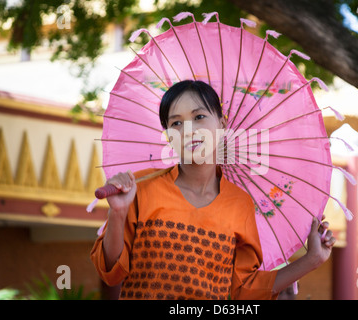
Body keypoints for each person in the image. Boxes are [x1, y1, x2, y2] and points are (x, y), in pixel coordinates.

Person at [90, 80, 336, 300]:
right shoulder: (139, 188)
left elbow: (245, 290)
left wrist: (313, 259)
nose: (189, 130)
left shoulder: (239, 203)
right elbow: (110, 272)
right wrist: (118, 213)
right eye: (176, 123)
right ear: (167, 135)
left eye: (199, 117)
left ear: (222, 123)